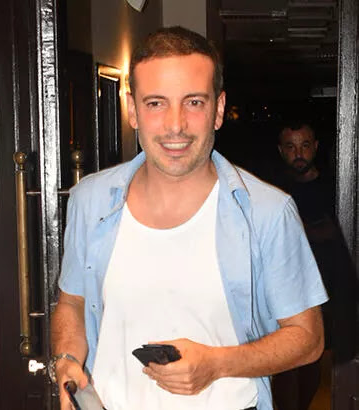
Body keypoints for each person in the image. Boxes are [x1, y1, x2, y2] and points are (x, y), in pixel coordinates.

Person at [51, 26, 327, 410]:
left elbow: (309, 339)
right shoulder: (89, 201)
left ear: (218, 109)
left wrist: (217, 364)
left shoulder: (267, 212)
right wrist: (67, 359)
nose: (175, 125)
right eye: (156, 103)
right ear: (132, 110)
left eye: (193, 102)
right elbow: (72, 303)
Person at [270, 121, 357, 410]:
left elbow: (338, 234)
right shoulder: (274, 192)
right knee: (287, 365)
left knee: (318, 362)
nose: (298, 154)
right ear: (281, 150)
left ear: (315, 147)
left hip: (330, 289)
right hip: (286, 289)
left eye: (305, 145)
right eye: (291, 147)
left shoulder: (337, 188)